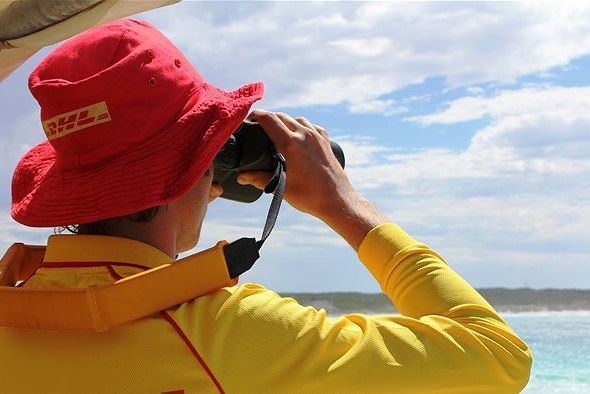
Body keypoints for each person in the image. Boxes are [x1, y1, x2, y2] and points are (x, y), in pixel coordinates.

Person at [0, 19, 532, 393]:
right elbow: (498, 357)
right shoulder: (232, 335)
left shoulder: (13, 314)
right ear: (195, 169)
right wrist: (344, 206)